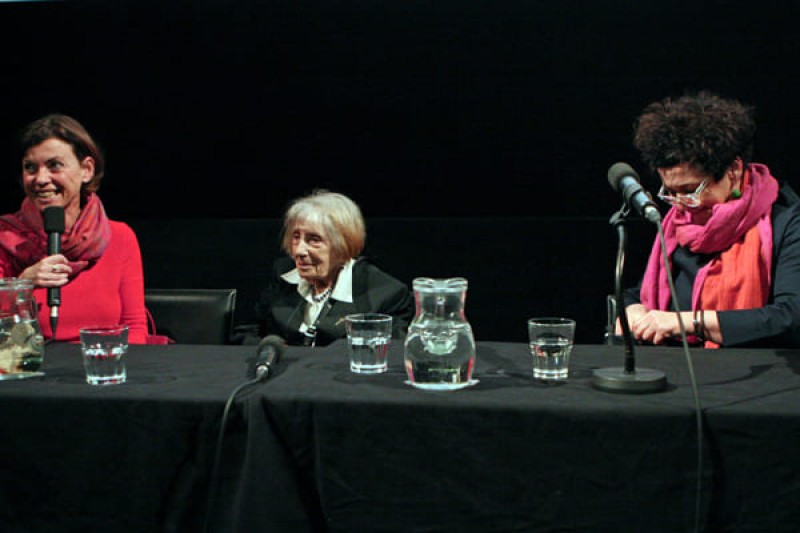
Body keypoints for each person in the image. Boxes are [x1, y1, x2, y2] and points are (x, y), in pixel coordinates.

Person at [622, 91, 800, 348]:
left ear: (734, 171)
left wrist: (686, 323)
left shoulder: (786, 221)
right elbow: (642, 293)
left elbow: (789, 315)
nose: (681, 203)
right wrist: (633, 311)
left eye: (691, 190)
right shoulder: (679, 224)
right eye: (670, 193)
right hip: (672, 367)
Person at [0, 114, 148, 343]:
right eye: (30, 167)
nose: (40, 179)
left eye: (54, 166)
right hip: (26, 368)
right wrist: (22, 285)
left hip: (99, 368)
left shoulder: (119, 237)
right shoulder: (4, 237)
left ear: (86, 170)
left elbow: (135, 328)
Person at [257, 189, 413, 346]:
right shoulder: (283, 276)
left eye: (313, 239)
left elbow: (389, 355)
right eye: (296, 237)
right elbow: (250, 333)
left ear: (343, 245)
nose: (298, 251)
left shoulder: (385, 294)